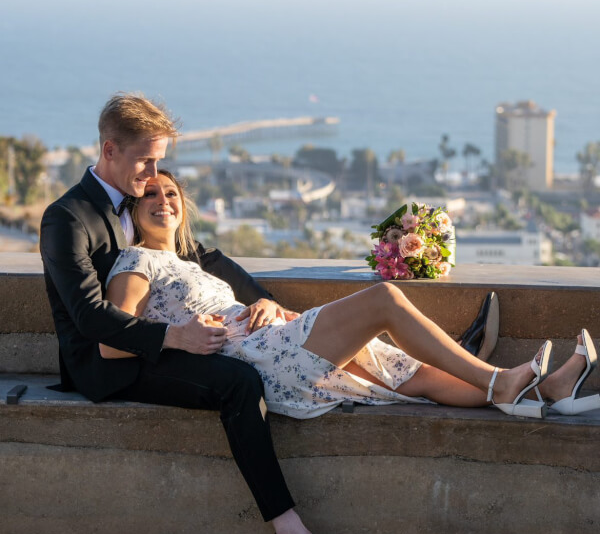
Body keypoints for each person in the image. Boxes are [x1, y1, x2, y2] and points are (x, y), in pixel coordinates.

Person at [40, 93, 366, 534]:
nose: (155, 175)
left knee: (281, 346)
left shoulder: (138, 201)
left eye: (160, 162)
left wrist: (267, 302)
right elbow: (89, 319)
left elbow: (202, 257)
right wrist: (175, 337)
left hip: (167, 339)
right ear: (110, 150)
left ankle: (427, 370)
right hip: (108, 363)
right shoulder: (67, 217)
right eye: (146, 160)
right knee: (237, 381)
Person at [101, 170, 600, 434]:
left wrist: (269, 307)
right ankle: (502, 380)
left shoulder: (193, 263)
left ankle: (548, 393)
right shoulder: (134, 262)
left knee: (415, 376)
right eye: (151, 195)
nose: (163, 200)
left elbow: (240, 306)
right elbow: (114, 343)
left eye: (172, 194)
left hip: (273, 338)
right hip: (255, 360)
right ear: (133, 209)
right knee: (383, 299)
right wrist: (183, 339)